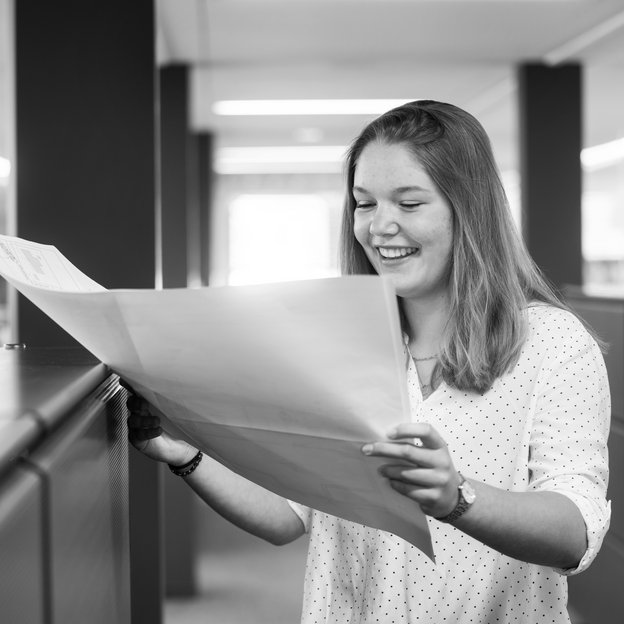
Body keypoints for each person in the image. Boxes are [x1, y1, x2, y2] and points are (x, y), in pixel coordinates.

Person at [127, 100, 610, 624]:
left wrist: (458, 499)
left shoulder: (553, 344)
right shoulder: (337, 344)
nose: (379, 227)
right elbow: (289, 513)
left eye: (408, 204)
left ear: (467, 210)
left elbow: (575, 532)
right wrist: (186, 455)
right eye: (364, 203)